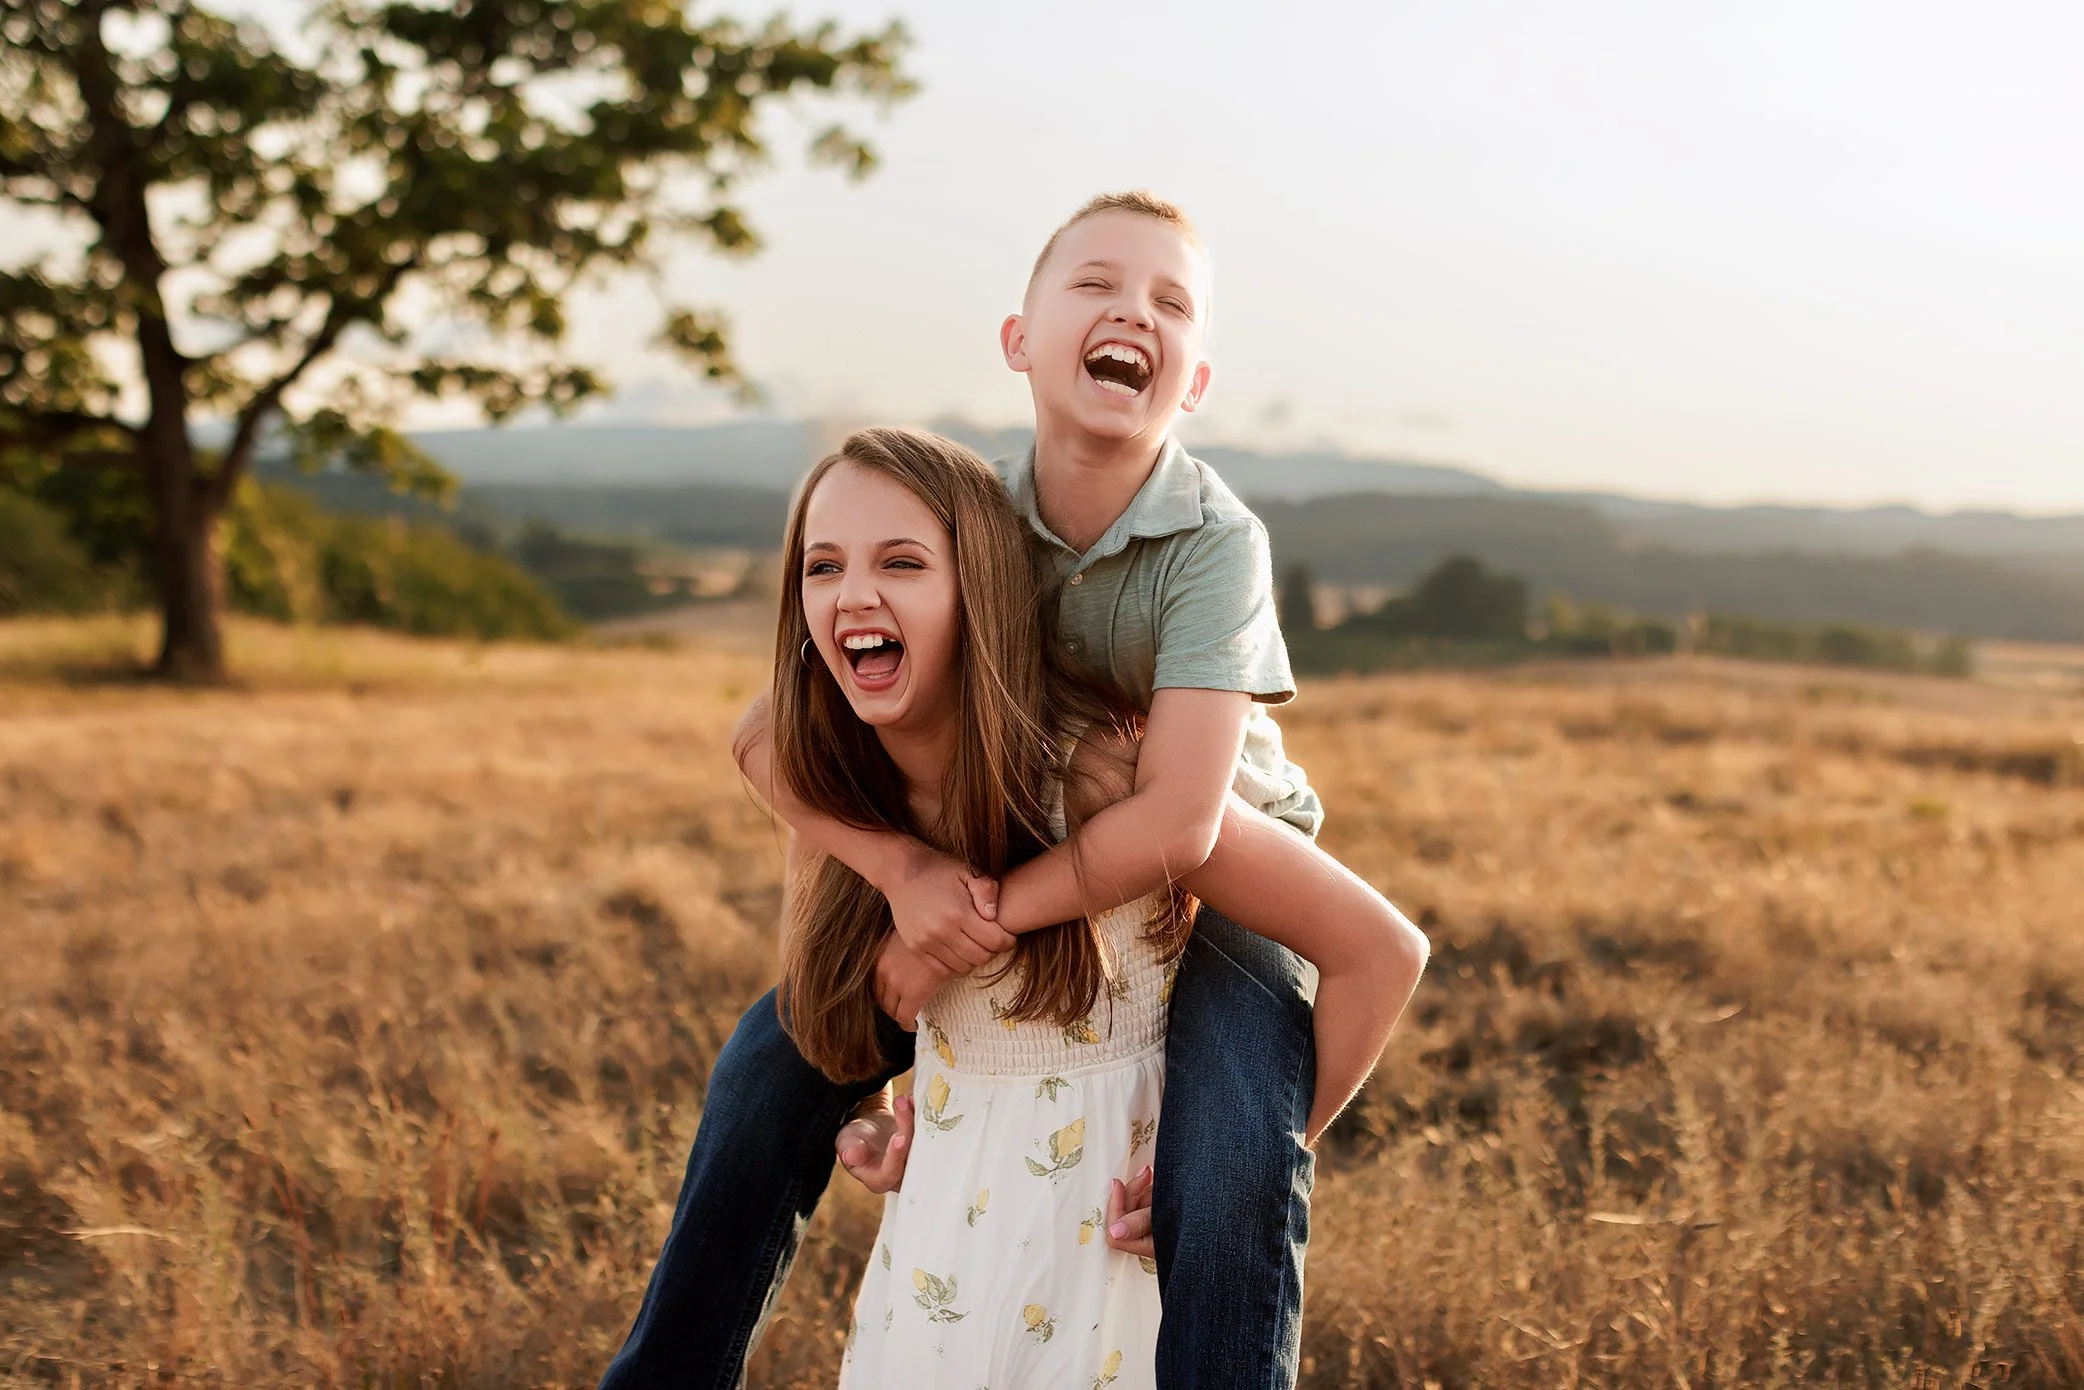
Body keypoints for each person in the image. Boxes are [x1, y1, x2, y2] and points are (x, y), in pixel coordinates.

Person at [599, 193, 1426, 1390]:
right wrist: (908, 883)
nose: (1129, 312)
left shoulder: (1212, 544)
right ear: (1017, 342)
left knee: (1229, 1163)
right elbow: (769, 728)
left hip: (1218, 869)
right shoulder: (963, 517)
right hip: (1014, 828)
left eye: (1169, 303)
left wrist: (959, 940)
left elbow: (1180, 823)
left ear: (1191, 384)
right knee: (765, 1065)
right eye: (1093, 285)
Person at [771, 426, 1425, 1386]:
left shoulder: (1109, 786)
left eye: (902, 563)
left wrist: (1221, 1182)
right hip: (941, 1267)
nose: (855, 593)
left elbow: (1381, 950)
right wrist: (870, 1115)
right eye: (822, 567)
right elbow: (839, 1004)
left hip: (1104, 1272)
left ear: (985, 592)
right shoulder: (846, 797)